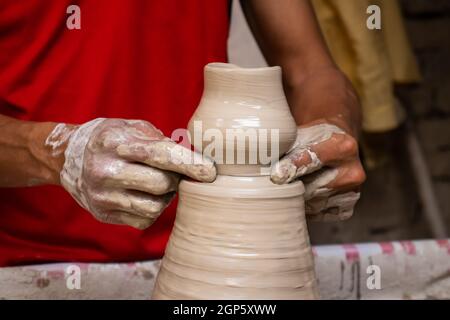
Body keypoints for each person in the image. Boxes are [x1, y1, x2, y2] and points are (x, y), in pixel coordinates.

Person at [0, 0, 365, 266]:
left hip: (215, 252)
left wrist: (332, 127)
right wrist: (58, 152)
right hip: (28, 261)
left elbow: (311, 71)